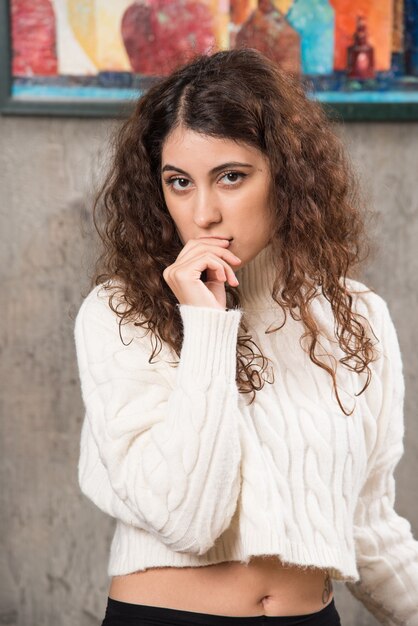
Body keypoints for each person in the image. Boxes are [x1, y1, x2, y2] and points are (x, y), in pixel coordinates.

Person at [74, 48, 418, 626]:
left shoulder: (356, 315)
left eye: (231, 177)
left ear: (288, 175)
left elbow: (369, 526)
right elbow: (184, 519)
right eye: (179, 182)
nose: (203, 212)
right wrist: (207, 326)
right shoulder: (120, 311)